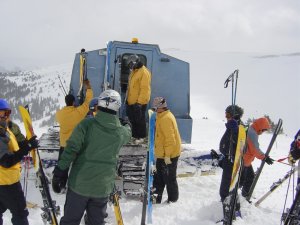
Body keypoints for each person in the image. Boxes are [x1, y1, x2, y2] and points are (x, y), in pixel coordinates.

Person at [52, 90, 131, 225]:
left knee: (70, 221)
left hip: (79, 185)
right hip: (102, 187)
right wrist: (126, 124)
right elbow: (128, 133)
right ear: (117, 107)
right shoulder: (121, 132)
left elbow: (70, 149)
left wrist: (60, 171)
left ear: (99, 104)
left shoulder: (86, 125)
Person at [0, 99, 38, 225]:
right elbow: (6, 161)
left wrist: (28, 143)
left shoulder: (5, 129)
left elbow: (15, 147)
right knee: (20, 213)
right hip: (7, 182)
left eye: (8, 112)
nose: (6, 116)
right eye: (3, 113)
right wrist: (27, 148)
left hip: (4, 180)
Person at [152, 97, 181, 203]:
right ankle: (155, 198)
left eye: (155, 107)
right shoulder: (162, 116)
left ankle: (173, 200)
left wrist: (168, 155)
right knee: (158, 177)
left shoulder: (166, 119)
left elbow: (170, 139)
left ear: (160, 107)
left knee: (169, 178)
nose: (154, 109)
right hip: (163, 154)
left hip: (169, 155)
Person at [55, 79, 93, 159]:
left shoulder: (59, 114)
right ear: (73, 102)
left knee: (62, 168)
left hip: (63, 146)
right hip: (75, 145)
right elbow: (87, 102)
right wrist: (88, 88)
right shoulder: (78, 113)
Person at [219, 105, 244, 217]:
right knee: (229, 188)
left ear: (235, 116)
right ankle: (235, 210)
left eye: (228, 115)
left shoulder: (240, 128)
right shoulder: (231, 126)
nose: (226, 117)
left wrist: (235, 131)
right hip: (227, 160)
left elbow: (242, 145)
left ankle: (229, 216)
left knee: (226, 190)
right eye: (226, 115)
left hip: (232, 162)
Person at [240, 117, 274, 198]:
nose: (263, 132)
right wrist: (264, 157)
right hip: (244, 161)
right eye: (264, 130)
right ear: (260, 127)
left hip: (245, 160)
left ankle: (244, 196)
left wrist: (264, 156)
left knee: (249, 178)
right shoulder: (252, 133)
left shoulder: (252, 129)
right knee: (241, 181)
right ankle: (239, 196)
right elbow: (255, 149)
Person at [125, 54, 151, 144]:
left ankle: (141, 137)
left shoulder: (144, 72)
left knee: (139, 120)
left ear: (135, 63)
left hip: (139, 102)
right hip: (131, 101)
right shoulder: (134, 71)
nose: (130, 67)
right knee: (133, 120)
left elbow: (145, 89)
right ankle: (134, 136)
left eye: (131, 65)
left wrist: (139, 103)